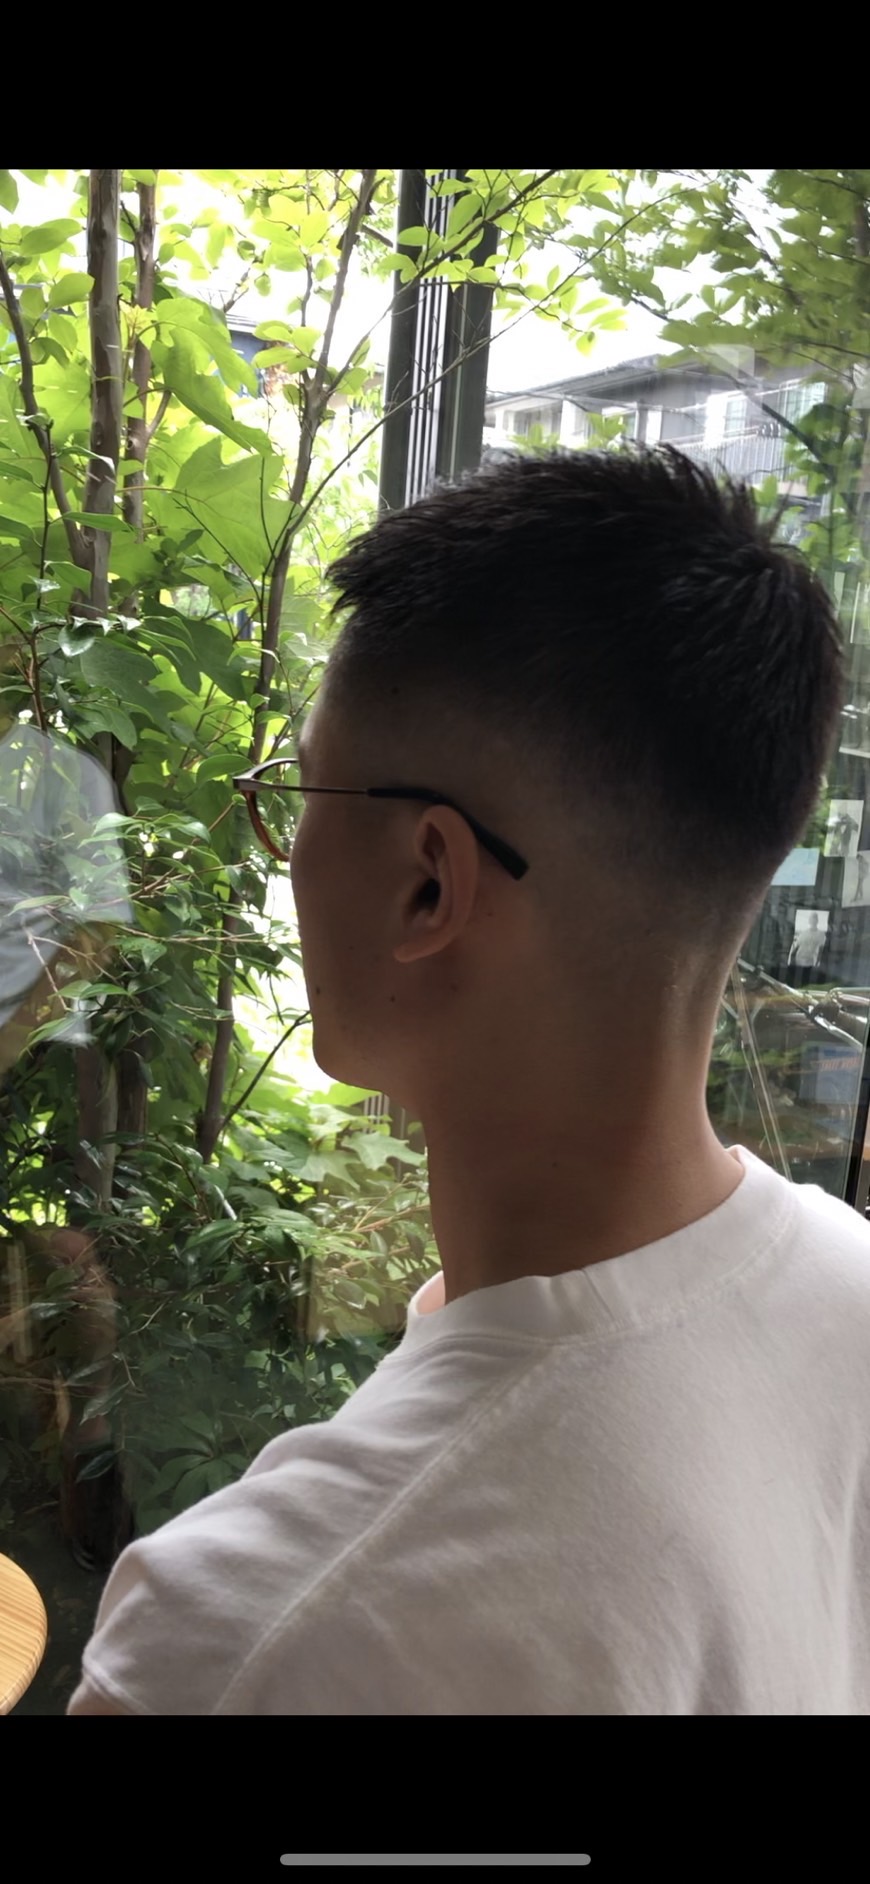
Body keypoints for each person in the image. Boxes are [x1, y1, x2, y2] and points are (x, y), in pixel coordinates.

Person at [68, 446, 870, 1718]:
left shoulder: (250, 1643)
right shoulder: (844, 1291)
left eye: (296, 790)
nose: (284, 843)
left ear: (427, 883)